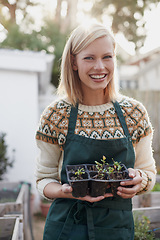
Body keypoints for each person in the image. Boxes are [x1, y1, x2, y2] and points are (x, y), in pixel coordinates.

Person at [35, 22, 156, 240]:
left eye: (107, 57)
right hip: (66, 228)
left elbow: (148, 172)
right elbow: (43, 180)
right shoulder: (56, 115)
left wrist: (140, 181)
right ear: (74, 62)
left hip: (116, 229)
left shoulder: (134, 113)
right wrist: (66, 191)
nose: (100, 66)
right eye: (89, 58)